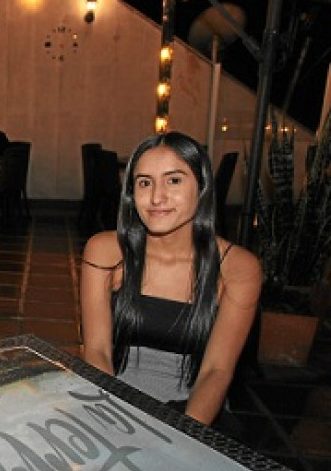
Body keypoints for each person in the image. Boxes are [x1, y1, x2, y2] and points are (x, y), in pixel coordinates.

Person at [79, 131, 261, 426]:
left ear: (201, 187)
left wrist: (184, 436)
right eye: (144, 183)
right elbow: (97, 351)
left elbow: (216, 370)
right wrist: (112, 419)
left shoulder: (237, 267)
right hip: (113, 400)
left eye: (174, 180)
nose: (156, 197)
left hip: (195, 412)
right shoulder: (105, 252)